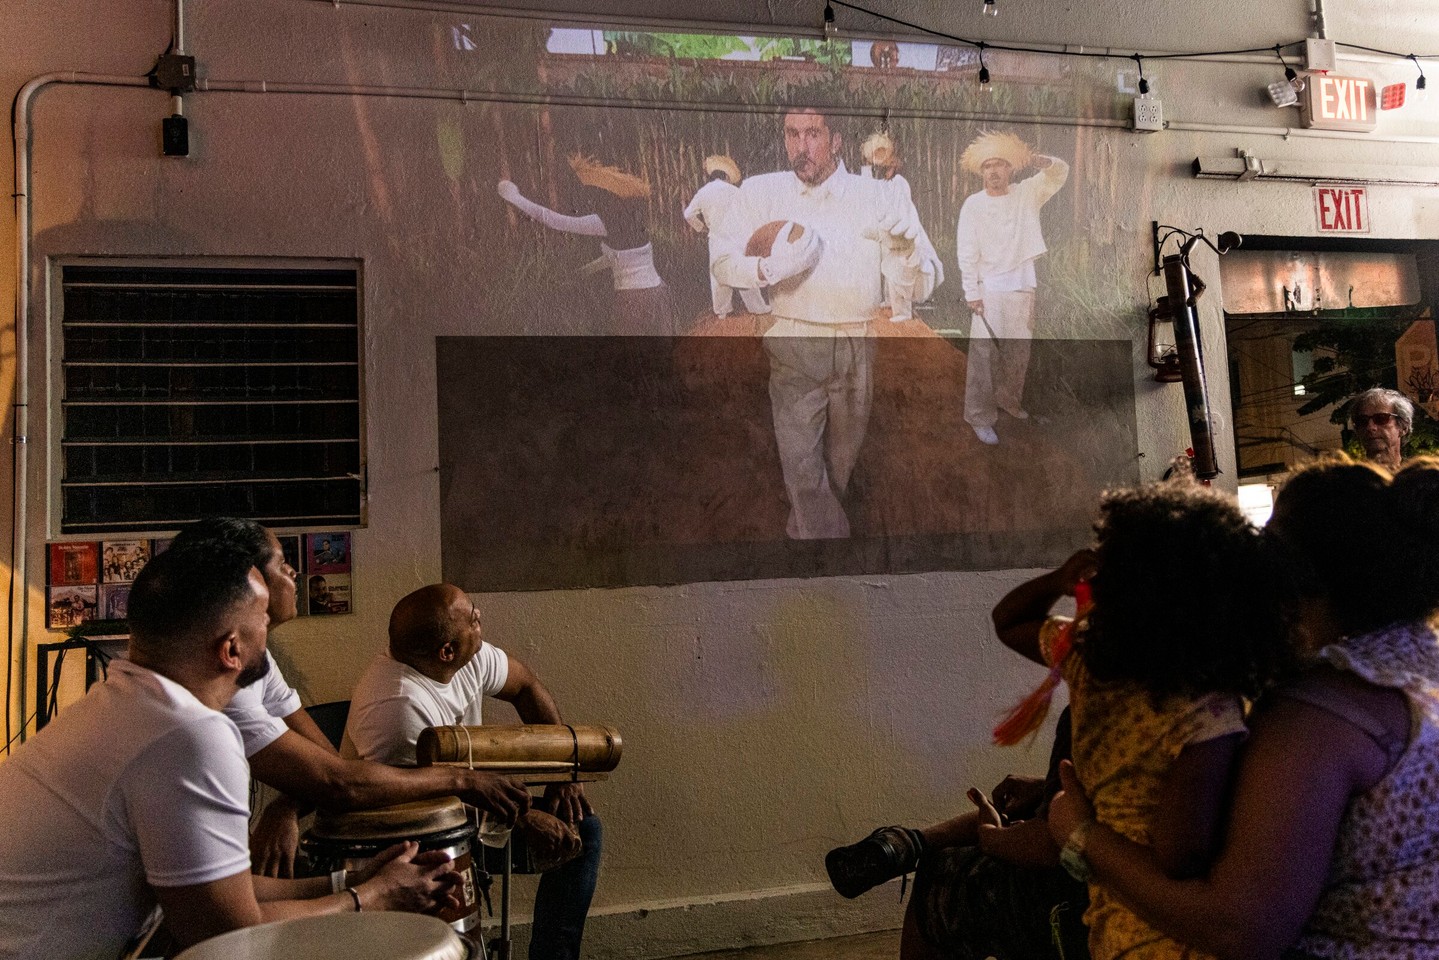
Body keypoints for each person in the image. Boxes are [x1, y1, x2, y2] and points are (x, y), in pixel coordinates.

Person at [1047, 456, 1439, 960]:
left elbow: (1239, 928)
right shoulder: (1418, 669)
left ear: (1288, 576)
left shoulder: (1318, 718)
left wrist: (1082, 837)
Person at [0, 545, 460, 960]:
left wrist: (351, 882)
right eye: (262, 617)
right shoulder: (190, 734)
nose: (269, 626)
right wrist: (374, 898)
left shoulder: (122, 704)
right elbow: (226, 938)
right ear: (231, 649)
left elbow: (218, 895)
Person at [1003, 484, 1292, 960]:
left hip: (1114, 928)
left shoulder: (1087, 662)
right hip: (1177, 936)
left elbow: (1008, 620)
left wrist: (1058, 579)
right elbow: (1180, 855)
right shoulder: (1207, 707)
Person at [170, 518, 531, 880]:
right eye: (282, 564)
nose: (294, 572)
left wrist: (287, 806)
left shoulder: (258, 660)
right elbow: (338, 784)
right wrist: (464, 781)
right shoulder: (224, 681)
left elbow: (329, 766)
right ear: (248, 583)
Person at [710, 106, 944, 539]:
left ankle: (806, 528)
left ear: (835, 139)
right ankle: (825, 551)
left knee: (838, 468)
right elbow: (722, 259)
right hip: (793, 342)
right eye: (792, 134)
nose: (801, 146)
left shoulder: (878, 196)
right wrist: (765, 269)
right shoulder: (761, 192)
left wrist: (906, 252)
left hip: (857, 345)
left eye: (813, 133)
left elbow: (926, 283)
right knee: (801, 465)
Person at [345, 583, 602, 960]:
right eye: (472, 618)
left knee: (582, 828)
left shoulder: (467, 656)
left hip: (467, 809)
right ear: (446, 651)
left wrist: (563, 773)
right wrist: (525, 819)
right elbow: (426, 800)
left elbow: (526, 686)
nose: (479, 618)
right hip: (408, 836)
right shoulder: (399, 706)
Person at [825, 707, 1091, 960]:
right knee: (1027, 807)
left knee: (941, 872)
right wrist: (1044, 788)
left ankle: (907, 844)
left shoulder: (1093, 705)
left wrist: (991, 837)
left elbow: (1046, 846)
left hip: (1080, 905)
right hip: (1094, 875)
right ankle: (910, 842)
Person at [955, 131, 1069, 446]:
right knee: (984, 355)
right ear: (981, 171)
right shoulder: (973, 205)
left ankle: (1008, 400)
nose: (993, 171)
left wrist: (1039, 160)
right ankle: (979, 416)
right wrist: (972, 292)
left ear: (1010, 168)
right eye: (987, 166)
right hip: (989, 290)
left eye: (1000, 164)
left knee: (1018, 351)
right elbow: (966, 252)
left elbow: (1060, 173)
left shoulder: (1026, 193)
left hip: (1023, 287)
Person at [498, 154, 674, 335]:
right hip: (659, 293)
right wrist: (583, 271)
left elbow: (554, 220)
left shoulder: (603, 221)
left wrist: (514, 197)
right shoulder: (633, 219)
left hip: (633, 298)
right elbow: (621, 259)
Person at [684, 154, 771, 319]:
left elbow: (688, 214)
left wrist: (701, 228)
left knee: (718, 274)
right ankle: (757, 307)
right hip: (738, 238)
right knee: (743, 272)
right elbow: (749, 214)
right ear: (725, 176)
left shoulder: (703, 192)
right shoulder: (735, 192)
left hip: (717, 239)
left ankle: (722, 310)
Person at [1349, 386, 1414, 471]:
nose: (1370, 427)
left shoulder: (1419, 476)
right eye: (1362, 421)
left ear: (1403, 427)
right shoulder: (1347, 478)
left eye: (1381, 418)